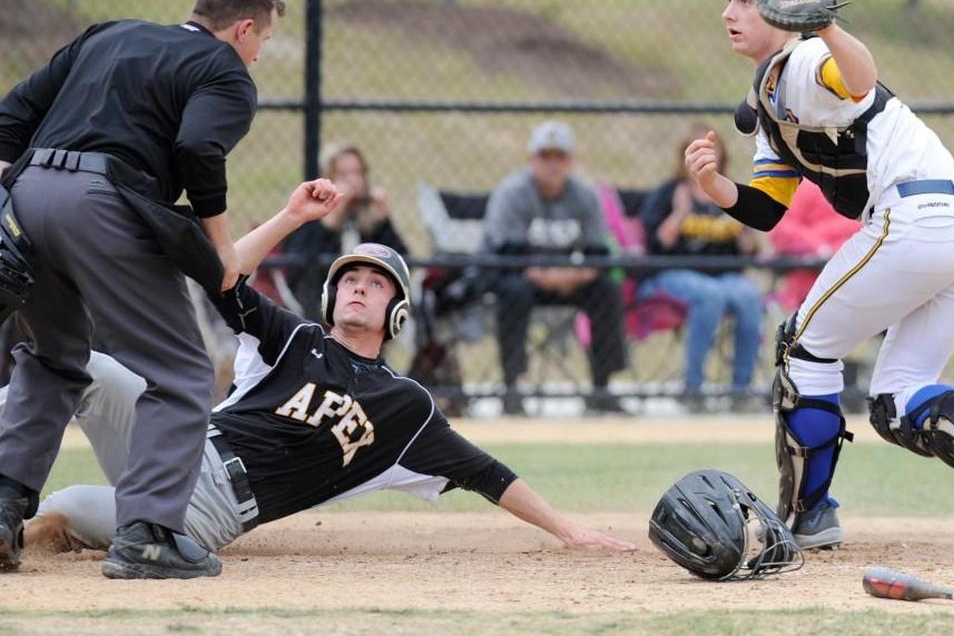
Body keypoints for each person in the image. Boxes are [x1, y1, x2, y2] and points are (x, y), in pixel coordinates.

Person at [8, 180, 635, 563]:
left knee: (63, 512)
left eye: (376, 284)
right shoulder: (294, 338)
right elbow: (220, 272)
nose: (360, 289)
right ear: (332, 299)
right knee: (84, 365)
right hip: (177, 440)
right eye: (351, 280)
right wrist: (291, 219)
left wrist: (568, 529)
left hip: (210, 509)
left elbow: (486, 473)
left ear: (397, 313)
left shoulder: (405, 406)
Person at [683, 0, 954, 550]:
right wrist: (716, 188)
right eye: (728, 0)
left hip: (915, 220)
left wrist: (821, 23)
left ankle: (808, 514)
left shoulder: (803, 61)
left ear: (782, 6)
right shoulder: (776, 95)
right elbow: (768, 208)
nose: (729, 13)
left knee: (802, 348)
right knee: (896, 399)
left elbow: (857, 78)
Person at [0, 0, 284, 577]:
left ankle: (2, 509)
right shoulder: (225, 71)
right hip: (101, 203)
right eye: (263, 40)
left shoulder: (106, 36)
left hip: (27, 194)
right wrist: (223, 252)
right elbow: (198, 148)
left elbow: (10, 117)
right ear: (242, 28)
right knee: (180, 370)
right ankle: (149, 534)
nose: (259, 54)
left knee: (53, 355)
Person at [483, 121, 629, 416]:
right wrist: (550, 275)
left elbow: (599, 253)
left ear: (570, 162)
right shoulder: (513, 193)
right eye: (545, 157)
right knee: (513, 291)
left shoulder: (584, 195)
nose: (552, 165)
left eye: (559, 157)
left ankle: (601, 387)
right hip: (522, 279)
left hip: (568, 280)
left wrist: (569, 276)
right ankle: (512, 387)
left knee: (606, 290)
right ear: (531, 160)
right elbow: (507, 254)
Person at [638, 124, 763, 410]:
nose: (705, 155)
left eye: (712, 149)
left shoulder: (728, 192)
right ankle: (693, 388)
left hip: (723, 276)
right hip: (672, 273)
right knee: (710, 296)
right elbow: (656, 244)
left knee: (749, 296)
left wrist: (743, 226)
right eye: (697, 149)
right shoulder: (669, 192)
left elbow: (749, 252)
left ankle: (740, 390)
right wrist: (680, 213)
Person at [283, 141, 408, 319]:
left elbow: (404, 262)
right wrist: (330, 221)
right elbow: (298, 271)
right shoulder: (309, 215)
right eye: (343, 174)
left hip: (365, 312)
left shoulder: (368, 217)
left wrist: (384, 221)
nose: (353, 181)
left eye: (358, 173)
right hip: (314, 310)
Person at [766, 180, 861, 312]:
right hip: (807, 284)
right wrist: (818, 246)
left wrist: (825, 246)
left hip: (850, 279)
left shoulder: (856, 185)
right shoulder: (804, 187)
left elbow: (861, 226)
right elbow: (781, 228)